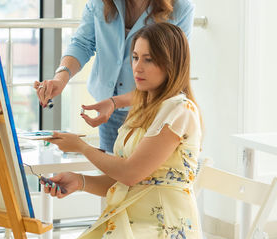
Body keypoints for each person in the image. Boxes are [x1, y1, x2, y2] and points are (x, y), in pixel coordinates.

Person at [38, 22, 202, 239]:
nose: (137, 67)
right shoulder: (144, 107)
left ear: (171, 64)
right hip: (126, 219)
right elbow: (126, 183)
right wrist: (80, 182)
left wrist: (81, 147)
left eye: (149, 60)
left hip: (166, 229)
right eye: (135, 57)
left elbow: (130, 174)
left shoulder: (180, 110)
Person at [34, 0, 195, 153]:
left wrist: (83, 149)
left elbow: (174, 73)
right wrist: (60, 78)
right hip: (109, 111)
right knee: (111, 174)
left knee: (138, 174)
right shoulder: (100, 3)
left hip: (152, 109)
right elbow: (82, 44)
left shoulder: (181, 8)